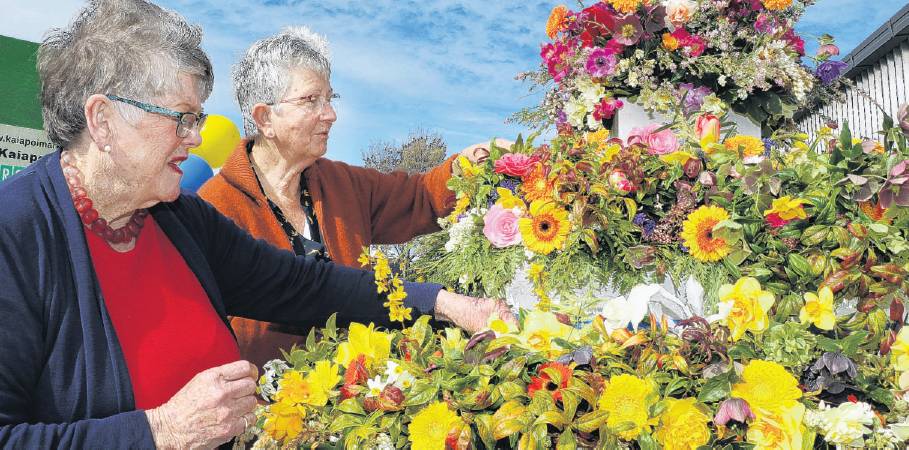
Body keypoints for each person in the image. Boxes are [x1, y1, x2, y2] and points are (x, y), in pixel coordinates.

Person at [0, 1, 512, 448]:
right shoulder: (15, 236)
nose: (196, 138)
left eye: (197, 117)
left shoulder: (179, 220)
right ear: (104, 120)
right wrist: (161, 432)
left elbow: (304, 285)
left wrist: (441, 302)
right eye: (180, 117)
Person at [198, 27, 509, 369]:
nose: (330, 114)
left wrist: (470, 163)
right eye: (310, 100)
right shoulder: (214, 208)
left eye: (331, 98)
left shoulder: (342, 182)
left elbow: (419, 196)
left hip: (360, 404)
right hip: (266, 415)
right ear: (265, 118)